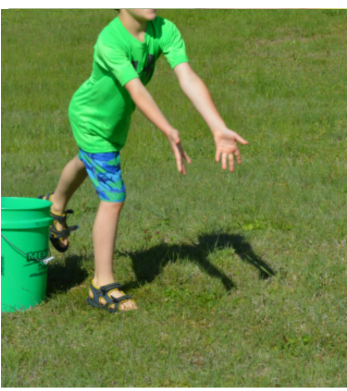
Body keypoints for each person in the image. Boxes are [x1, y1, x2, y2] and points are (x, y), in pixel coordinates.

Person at [41, 9, 247, 312]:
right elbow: (136, 90)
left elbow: (187, 77)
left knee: (88, 161)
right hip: (91, 120)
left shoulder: (164, 30)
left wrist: (217, 126)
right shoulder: (109, 40)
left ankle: (54, 206)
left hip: (113, 122)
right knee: (113, 196)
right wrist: (168, 129)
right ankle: (102, 284)